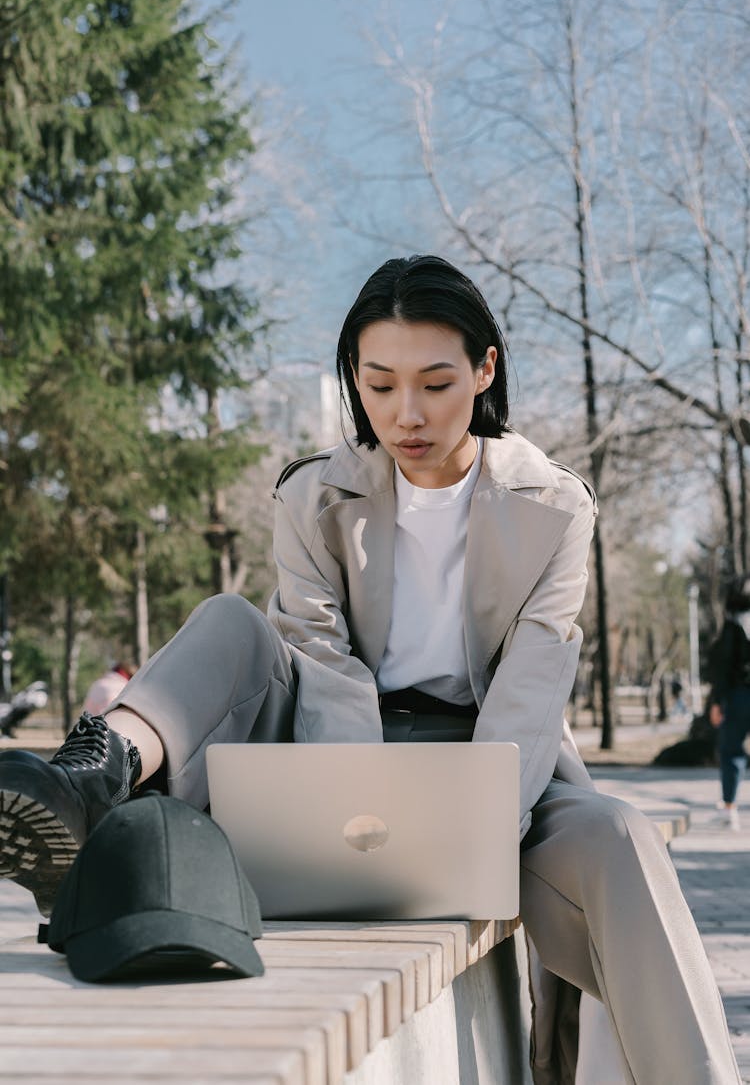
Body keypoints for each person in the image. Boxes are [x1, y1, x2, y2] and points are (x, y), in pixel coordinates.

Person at [0, 255, 739, 1083]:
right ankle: (88, 777)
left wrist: (474, 826)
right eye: (379, 384)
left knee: (621, 835)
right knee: (232, 621)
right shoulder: (312, 496)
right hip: (324, 749)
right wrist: (357, 808)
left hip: (492, 770)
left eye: (435, 382)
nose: (406, 413)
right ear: (354, 378)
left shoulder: (555, 506)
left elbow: (532, 686)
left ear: (484, 369)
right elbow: (320, 661)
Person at [708, 575, 750, 832]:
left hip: (740, 695)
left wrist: (716, 701)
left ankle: (730, 809)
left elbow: (722, 665)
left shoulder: (735, 624)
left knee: (731, 751)